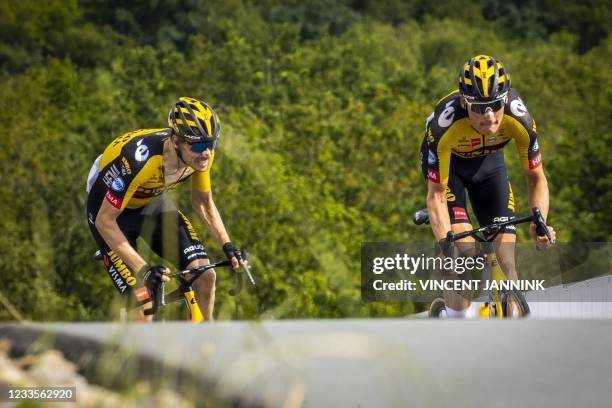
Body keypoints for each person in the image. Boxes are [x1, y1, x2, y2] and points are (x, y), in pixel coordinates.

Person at [419, 55, 556, 318]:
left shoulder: (520, 118)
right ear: (463, 102)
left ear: (504, 99)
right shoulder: (443, 126)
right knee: (463, 252)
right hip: (451, 171)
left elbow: (535, 177)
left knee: (506, 261)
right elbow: (436, 195)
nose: (489, 115)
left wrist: (539, 224)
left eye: (495, 104)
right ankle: (455, 318)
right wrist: (446, 245)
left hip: (490, 167)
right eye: (479, 108)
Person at [86, 96, 244, 322]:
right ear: (176, 141)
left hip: (149, 201)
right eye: (199, 145)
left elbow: (203, 202)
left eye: (211, 143)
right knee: (144, 306)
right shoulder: (141, 161)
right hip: (109, 213)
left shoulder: (201, 155)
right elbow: (104, 222)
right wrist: (143, 269)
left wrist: (227, 245)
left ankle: (204, 347)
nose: (207, 153)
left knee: (205, 276)